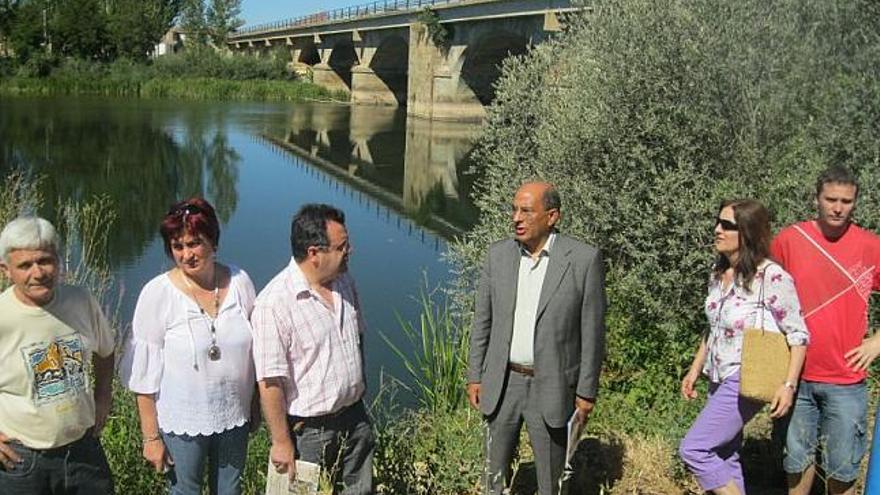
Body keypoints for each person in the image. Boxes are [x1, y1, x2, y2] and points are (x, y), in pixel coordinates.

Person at [466, 181, 606, 495]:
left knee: (552, 481)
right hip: (503, 383)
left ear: (552, 216)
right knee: (493, 476)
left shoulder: (583, 260)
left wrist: (586, 392)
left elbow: (592, 333)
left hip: (553, 384)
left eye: (526, 211)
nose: (516, 217)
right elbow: (482, 322)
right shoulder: (498, 255)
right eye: (514, 209)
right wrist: (475, 374)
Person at [121, 198, 258, 495]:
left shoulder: (240, 282)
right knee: (185, 492)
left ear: (213, 241)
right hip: (183, 421)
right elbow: (144, 375)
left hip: (235, 415)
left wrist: (256, 404)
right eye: (177, 246)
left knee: (230, 491)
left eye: (194, 243)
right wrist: (151, 438)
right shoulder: (157, 294)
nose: (186, 255)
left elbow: (255, 351)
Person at [679, 199, 809, 495]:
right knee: (725, 453)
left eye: (727, 225)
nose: (717, 230)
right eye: (718, 221)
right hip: (717, 373)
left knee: (695, 449)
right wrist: (695, 368)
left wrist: (788, 385)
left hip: (745, 375)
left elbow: (798, 334)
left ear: (747, 233)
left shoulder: (771, 277)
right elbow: (713, 326)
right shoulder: (719, 272)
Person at [772, 166, 880, 495]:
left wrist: (877, 342)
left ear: (855, 203)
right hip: (795, 376)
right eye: (830, 199)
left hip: (847, 379)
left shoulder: (870, 246)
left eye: (846, 201)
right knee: (796, 464)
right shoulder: (791, 240)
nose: (837, 207)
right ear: (816, 199)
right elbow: (765, 293)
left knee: (843, 469)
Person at [252, 203, 372, 494]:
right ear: (314, 254)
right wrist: (281, 442)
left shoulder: (344, 281)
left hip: (355, 419)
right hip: (310, 434)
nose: (350, 251)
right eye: (342, 247)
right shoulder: (274, 304)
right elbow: (270, 381)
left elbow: (358, 339)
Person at [0, 216, 116, 494]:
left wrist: (103, 395)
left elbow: (106, 352)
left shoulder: (81, 300)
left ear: (59, 260)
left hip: (83, 450)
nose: (38, 272)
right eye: (25, 265)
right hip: (21, 460)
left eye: (45, 260)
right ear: (6, 270)